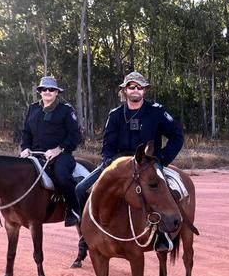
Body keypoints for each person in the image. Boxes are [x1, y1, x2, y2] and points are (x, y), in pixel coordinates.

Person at [75, 71, 184, 209]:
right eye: (132, 87)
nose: (136, 90)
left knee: (169, 198)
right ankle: (87, 228)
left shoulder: (156, 112)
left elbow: (177, 136)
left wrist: (162, 158)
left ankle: (162, 230)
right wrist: (109, 160)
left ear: (144, 91)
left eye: (140, 87)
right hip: (118, 161)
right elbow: (108, 144)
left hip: (148, 163)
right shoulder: (115, 115)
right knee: (80, 189)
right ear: (125, 90)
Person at [20, 76, 82, 227]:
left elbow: (75, 136)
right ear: (40, 92)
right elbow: (26, 132)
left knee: (61, 175)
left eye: (51, 89)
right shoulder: (33, 108)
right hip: (34, 155)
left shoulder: (66, 110)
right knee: (17, 173)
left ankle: (73, 209)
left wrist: (58, 149)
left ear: (57, 93)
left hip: (61, 155)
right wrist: (25, 148)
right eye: (44, 89)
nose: (47, 92)